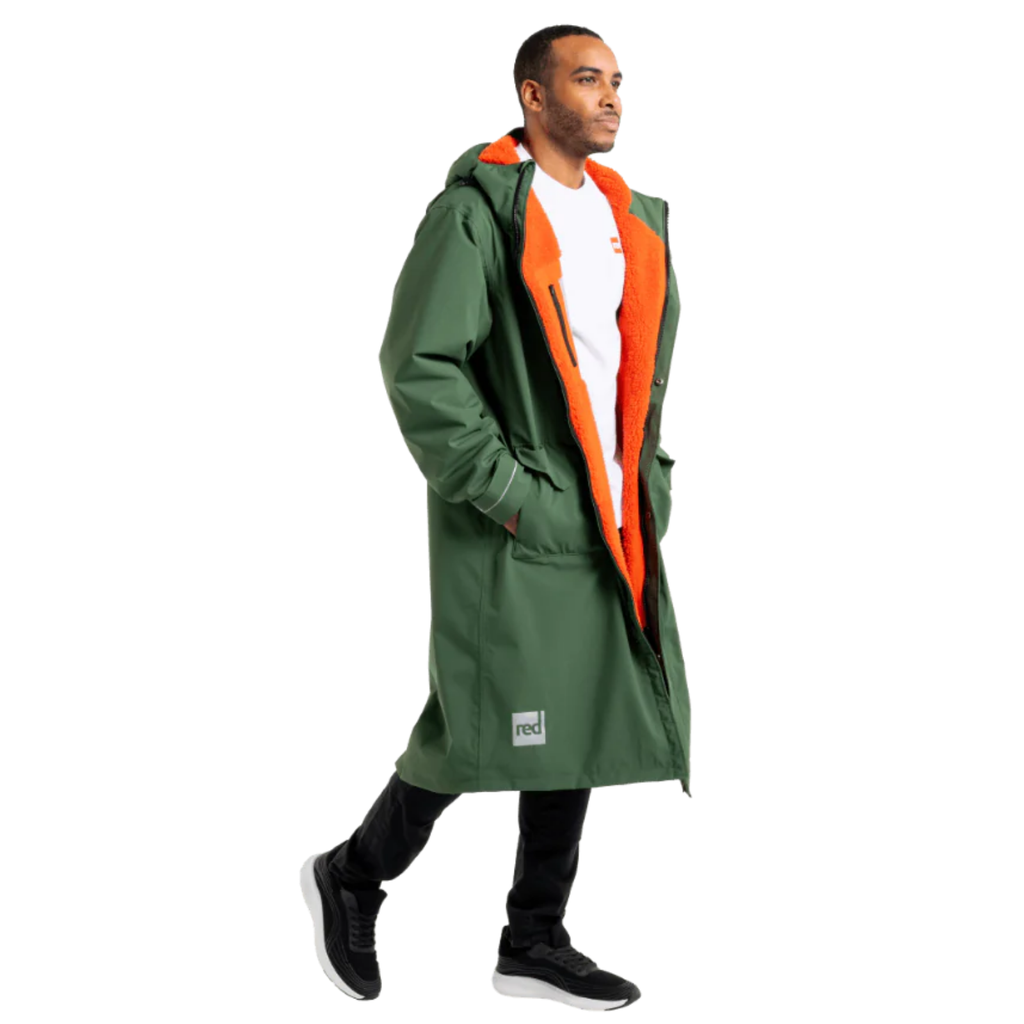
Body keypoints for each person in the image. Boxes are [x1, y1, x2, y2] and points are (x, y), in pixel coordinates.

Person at [300, 24, 691, 1012]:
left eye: (617, 80)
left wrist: (647, 478)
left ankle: (534, 935)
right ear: (533, 95)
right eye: (587, 79)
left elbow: (627, 369)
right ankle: (353, 872)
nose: (611, 97)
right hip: (522, 515)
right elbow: (419, 364)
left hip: (609, 515)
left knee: (579, 712)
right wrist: (509, 491)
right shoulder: (476, 215)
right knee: (475, 723)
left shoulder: (627, 218)